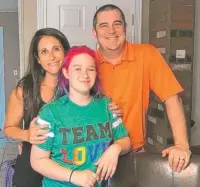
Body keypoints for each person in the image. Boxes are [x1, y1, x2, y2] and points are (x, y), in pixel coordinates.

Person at [92, 4, 191, 173]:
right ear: (94, 32)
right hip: (90, 154)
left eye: (117, 23)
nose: (112, 30)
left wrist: (182, 145)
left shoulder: (147, 54)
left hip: (133, 153)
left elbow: (172, 99)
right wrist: (97, 107)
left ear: (125, 27)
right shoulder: (87, 62)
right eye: (104, 25)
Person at [30, 46, 131, 187]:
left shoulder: (107, 105)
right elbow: (38, 160)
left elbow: (125, 140)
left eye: (90, 69)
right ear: (66, 72)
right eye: (77, 69)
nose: (85, 74)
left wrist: (116, 149)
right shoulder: (50, 112)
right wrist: (73, 176)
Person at [3, 28, 71, 187]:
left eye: (56, 49)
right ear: (38, 58)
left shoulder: (78, 87)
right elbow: (8, 129)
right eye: (44, 51)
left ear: (65, 52)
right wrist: (27, 135)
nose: (52, 57)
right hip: (30, 171)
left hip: (67, 168)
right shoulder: (24, 91)